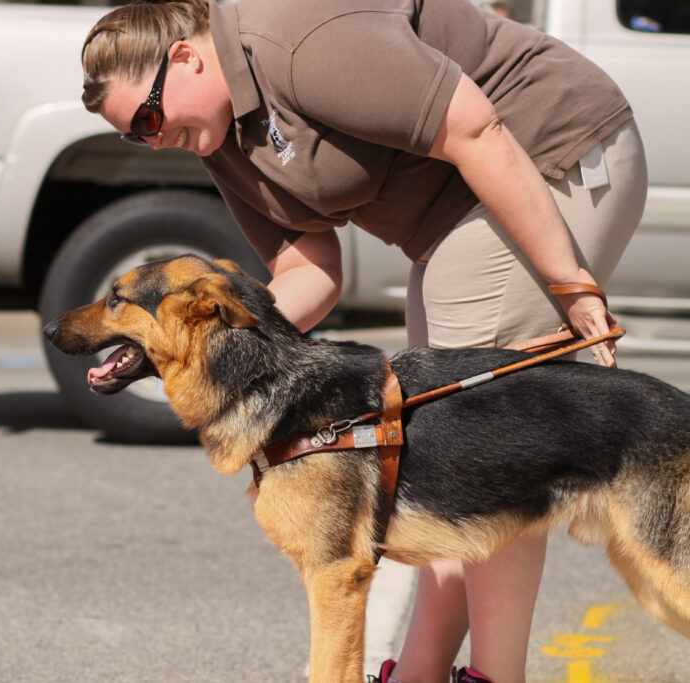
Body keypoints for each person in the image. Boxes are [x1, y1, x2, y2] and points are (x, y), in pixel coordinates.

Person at [80, 0, 648, 681]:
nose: (154, 138)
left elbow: (476, 127)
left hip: (548, 153)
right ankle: (421, 671)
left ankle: (491, 675)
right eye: (135, 137)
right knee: (430, 442)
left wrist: (569, 279)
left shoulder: (297, 38)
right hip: (450, 224)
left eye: (148, 117)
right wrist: (210, 354)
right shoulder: (219, 134)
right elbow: (309, 271)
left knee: (477, 440)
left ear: (185, 58)